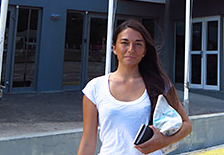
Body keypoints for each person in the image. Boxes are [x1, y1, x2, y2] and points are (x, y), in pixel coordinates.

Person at [78, 20, 192, 155]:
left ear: (144, 51)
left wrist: (164, 141)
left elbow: (186, 125)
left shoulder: (160, 84)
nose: (131, 49)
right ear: (114, 48)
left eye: (138, 44)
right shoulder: (95, 88)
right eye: (124, 43)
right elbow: (87, 142)